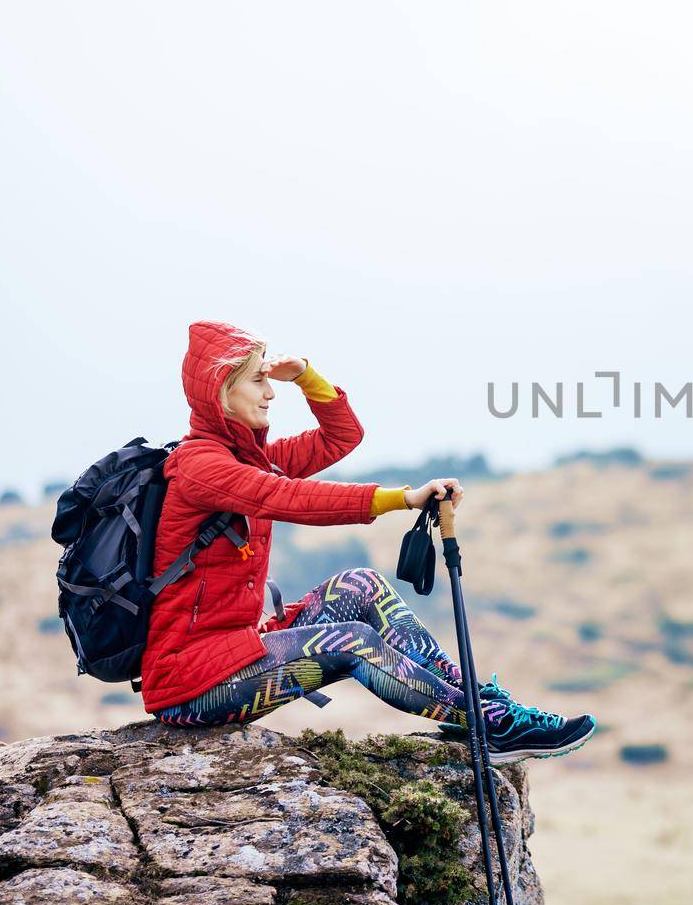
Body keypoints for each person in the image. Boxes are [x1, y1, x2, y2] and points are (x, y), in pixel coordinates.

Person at [142, 319, 596, 763]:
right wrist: (404, 499)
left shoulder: (249, 459)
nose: (270, 392)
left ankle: (478, 705)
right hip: (192, 684)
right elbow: (288, 498)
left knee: (360, 585)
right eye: (257, 380)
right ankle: (490, 724)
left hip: (236, 649)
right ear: (222, 389)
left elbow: (341, 437)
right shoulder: (201, 466)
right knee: (353, 641)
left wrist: (307, 376)